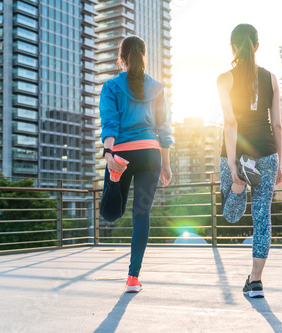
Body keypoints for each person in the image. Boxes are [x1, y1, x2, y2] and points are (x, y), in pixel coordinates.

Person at [99, 36, 172, 293]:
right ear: (144, 56)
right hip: (150, 154)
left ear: (122, 58)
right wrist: (166, 164)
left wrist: (109, 154)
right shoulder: (158, 88)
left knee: (110, 214)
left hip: (121, 155)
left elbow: (110, 123)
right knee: (142, 215)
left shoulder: (110, 87)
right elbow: (164, 130)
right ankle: (133, 278)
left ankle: (116, 181)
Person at [217, 24, 282, 298]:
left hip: (237, 151)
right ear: (257, 46)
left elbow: (230, 121)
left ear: (232, 47)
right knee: (262, 218)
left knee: (231, 215)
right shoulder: (271, 78)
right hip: (267, 152)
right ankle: (255, 280)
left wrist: (233, 164)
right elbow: (277, 124)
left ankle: (238, 182)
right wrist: (279, 161)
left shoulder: (224, 79)